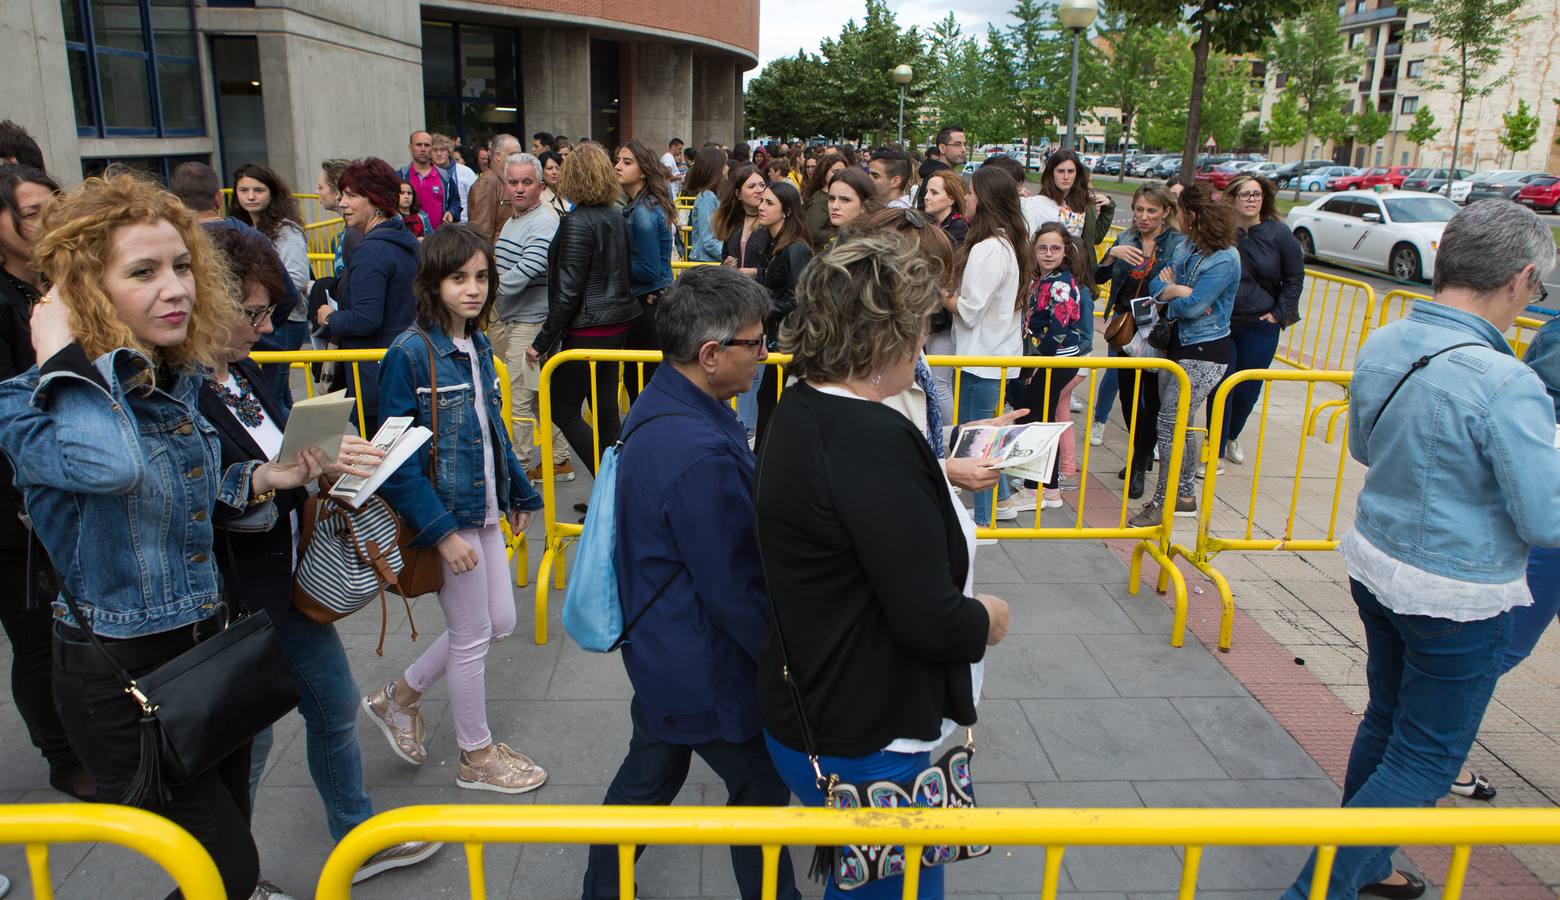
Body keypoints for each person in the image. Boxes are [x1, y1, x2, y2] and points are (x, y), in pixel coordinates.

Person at [0, 173, 330, 900]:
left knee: (225, 859)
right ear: (87, 287)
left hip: (207, 656)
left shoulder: (170, 379)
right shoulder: (33, 403)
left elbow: (191, 496)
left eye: (182, 265)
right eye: (143, 272)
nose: (176, 287)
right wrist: (63, 355)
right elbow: (110, 466)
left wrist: (261, 482)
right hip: (120, 684)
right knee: (226, 871)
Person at [1280, 200, 1560, 900]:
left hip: (1378, 564)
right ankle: (1321, 887)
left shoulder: (1386, 341)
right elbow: (1544, 517)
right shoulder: (1507, 382)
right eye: (1541, 287)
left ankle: (1366, 865)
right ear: (1522, 279)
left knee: (1387, 720)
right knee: (1426, 757)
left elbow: (1364, 446)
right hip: (1457, 593)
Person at [754, 230, 1010, 900]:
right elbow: (930, 619)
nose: (926, 341)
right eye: (922, 326)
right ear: (884, 337)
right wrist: (987, 617)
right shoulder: (871, 439)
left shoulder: (801, 402)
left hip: (814, 705)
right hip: (866, 734)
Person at [199, 227, 442, 890]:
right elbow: (209, 497)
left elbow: (285, 454)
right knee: (247, 744)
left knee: (322, 713)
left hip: (284, 580)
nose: (267, 323)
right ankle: (227, 874)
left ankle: (347, 840)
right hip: (237, 594)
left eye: (270, 309)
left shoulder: (240, 372)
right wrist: (284, 475)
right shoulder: (174, 395)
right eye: (252, 311)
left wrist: (331, 457)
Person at [579, 267, 799, 900]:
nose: (765, 355)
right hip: (700, 663)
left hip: (667, 650)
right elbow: (735, 588)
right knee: (758, 787)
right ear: (709, 356)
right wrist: (789, 661)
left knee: (649, 774)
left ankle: (601, 888)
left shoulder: (670, 405)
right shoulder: (695, 450)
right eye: (755, 343)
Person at [367, 224, 548, 794]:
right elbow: (392, 460)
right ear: (433, 282)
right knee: (473, 634)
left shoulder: (476, 342)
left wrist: (519, 491)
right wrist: (443, 533)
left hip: (484, 506)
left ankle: (398, 697)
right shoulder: (410, 352)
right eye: (457, 278)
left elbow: (491, 429)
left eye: (481, 277)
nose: (472, 288)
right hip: (448, 516)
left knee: (501, 622)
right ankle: (476, 754)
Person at [0, 165, 92, 804]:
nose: (46, 223)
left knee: (73, 624)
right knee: (35, 634)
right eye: (31, 213)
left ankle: (89, 737)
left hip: (68, 485)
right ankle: (63, 755)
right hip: (18, 500)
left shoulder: (54, 287)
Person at [525, 142, 639, 474]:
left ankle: (612, 485)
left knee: (563, 409)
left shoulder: (577, 222)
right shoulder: (614, 216)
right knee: (604, 413)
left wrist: (540, 343)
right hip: (616, 324)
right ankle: (613, 494)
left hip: (589, 328)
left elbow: (568, 293)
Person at [1129, 183, 1238, 526]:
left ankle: (1163, 503)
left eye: (1178, 210)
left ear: (1192, 215)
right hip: (1174, 344)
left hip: (1205, 350)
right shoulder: (1188, 246)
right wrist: (1174, 289)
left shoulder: (1225, 258)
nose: (1175, 216)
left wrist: (1173, 293)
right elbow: (1156, 286)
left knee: (1169, 424)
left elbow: (1195, 307)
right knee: (1180, 424)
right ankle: (1186, 495)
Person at [948, 165, 1032, 528]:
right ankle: (993, 509)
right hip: (988, 357)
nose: (965, 198)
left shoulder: (989, 248)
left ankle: (985, 520)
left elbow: (969, 310)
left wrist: (940, 296)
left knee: (978, 443)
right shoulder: (1004, 244)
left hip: (981, 359)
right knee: (983, 440)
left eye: (969, 192)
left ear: (982, 199)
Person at [1092, 183, 1187, 500]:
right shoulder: (1126, 238)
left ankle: (1138, 462)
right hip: (1126, 327)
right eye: (1139, 210)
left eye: (1151, 210)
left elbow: (1178, 282)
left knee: (1152, 400)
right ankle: (1141, 452)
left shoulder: (1176, 244)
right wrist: (1110, 254)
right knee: (1130, 399)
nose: (1144, 217)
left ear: (1165, 212)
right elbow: (1098, 277)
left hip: (1158, 328)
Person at [314, 158, 420, 426]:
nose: (342, 203)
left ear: (375, 200)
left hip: (378, 378)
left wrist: (329, 317)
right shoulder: (401, 239)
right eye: (342, 195)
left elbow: (365, 319)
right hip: (402, 371)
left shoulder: (371, 252)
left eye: (351, 195)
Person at [1208, 174, 1302, 467]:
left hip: (1261, 326)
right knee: (1221, 385)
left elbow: (1294, 277)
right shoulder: (1221, 234)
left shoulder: (1279, 234)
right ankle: (1215, 451)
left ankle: (1231, 435)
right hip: (1223, 324)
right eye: (1245, 194)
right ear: (1232, 199)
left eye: (1256, 194)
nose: (1251, 199)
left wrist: (1278, 314)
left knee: (1248, 388)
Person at [491, 152, 572, 483]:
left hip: (530, 324)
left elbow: (527, 269)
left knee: (517, 402)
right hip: (516, 321)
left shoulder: (543, 222)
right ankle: (559, 459)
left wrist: (483, 290)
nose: (519, 189)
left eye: (526, 182)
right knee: (537, 399)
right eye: (513, 182)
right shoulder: (515, 219)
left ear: (540, 186)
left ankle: (519, 469)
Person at [1018, 223, 1096, 510]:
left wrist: (1038, 364)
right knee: (1040, 418)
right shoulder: (1047, 280)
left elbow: (1058, 330)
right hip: (1053, 360)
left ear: (1065, 252)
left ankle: (1036, 489)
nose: (1048, 253)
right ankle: (1048, 488)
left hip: (1056, 360)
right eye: (1042, 248)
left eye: (1055, 248)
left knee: (1037, 421)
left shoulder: (1060, 284)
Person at [751, 180, 812, 444]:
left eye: (768, 203)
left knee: (772, 402)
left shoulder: (796, 248)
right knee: (767, 401)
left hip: (790, 343)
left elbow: (799, 299)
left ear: (786, 211)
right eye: (762, 201)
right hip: (778, 338)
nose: (761, 207)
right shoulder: (773, 243)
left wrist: (762, 309)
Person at [616, 140, 676, 403]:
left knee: (642, 384)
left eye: (627, 162)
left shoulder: (643, 211)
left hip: (647, 304)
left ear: (643, 170)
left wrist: (613, 267)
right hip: (648, 304)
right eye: (617, 160)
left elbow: (649, 269)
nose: (618, 166)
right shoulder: (641, 205)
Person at [397, 130, 458, 230]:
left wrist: (451, 212)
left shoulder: (445, 177)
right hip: (409, 240)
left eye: (427, 145)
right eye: (419, 145)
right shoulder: (401, 176)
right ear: (410, 147)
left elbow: (455, 203)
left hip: (438, 240)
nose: (423, 149)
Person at [469, 133, 521, 245]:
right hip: (496, 256)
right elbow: (481, 231)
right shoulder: (486, 183)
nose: (517, 159)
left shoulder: (508, 180)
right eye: (512, 154)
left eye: (519, 154)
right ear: (497, 156)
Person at [315, 158, 362, 280]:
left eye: (320, 187)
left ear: (337, 191)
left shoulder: (358, 230)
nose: (316, 192)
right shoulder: (348, 230)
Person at [683, 147, 729, 262]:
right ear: (716, 168)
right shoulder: (707, 198)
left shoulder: (713, 195)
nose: (728, 168)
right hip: (706, 264)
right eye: (725, 164)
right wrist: (728, 258)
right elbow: (709, 241)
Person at [801, 150, 847, 245]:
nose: (840, 175)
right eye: (835, 172)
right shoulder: (820, 200)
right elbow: (812, 233)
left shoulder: (832, 196)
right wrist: (843, 235)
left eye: (844, 172)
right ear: (824, 172)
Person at [824, 166, 881, 237]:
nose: (834, 206)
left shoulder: (869, 244)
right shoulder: (842, 237)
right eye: (832, 199)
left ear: (865, 205)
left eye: (845, 200)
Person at [433, 134, 478, 224]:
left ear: (449, 152)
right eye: (435, 150)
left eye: (442, 150)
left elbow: (477, 201)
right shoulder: (429, 174)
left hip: (464, 225)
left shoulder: (465, 172)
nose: (438, 154)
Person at [922, 169, 969, 248]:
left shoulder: (959, 227)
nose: (926, 197)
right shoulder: (930, 224)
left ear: (951, 199)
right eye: (927, 192)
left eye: (934, 193)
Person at [539, 149, 568, 217]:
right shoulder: (539, 199)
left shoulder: (564, 195)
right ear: (541, 171)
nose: (554, 172)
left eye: (558, 168)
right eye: (549, 168)